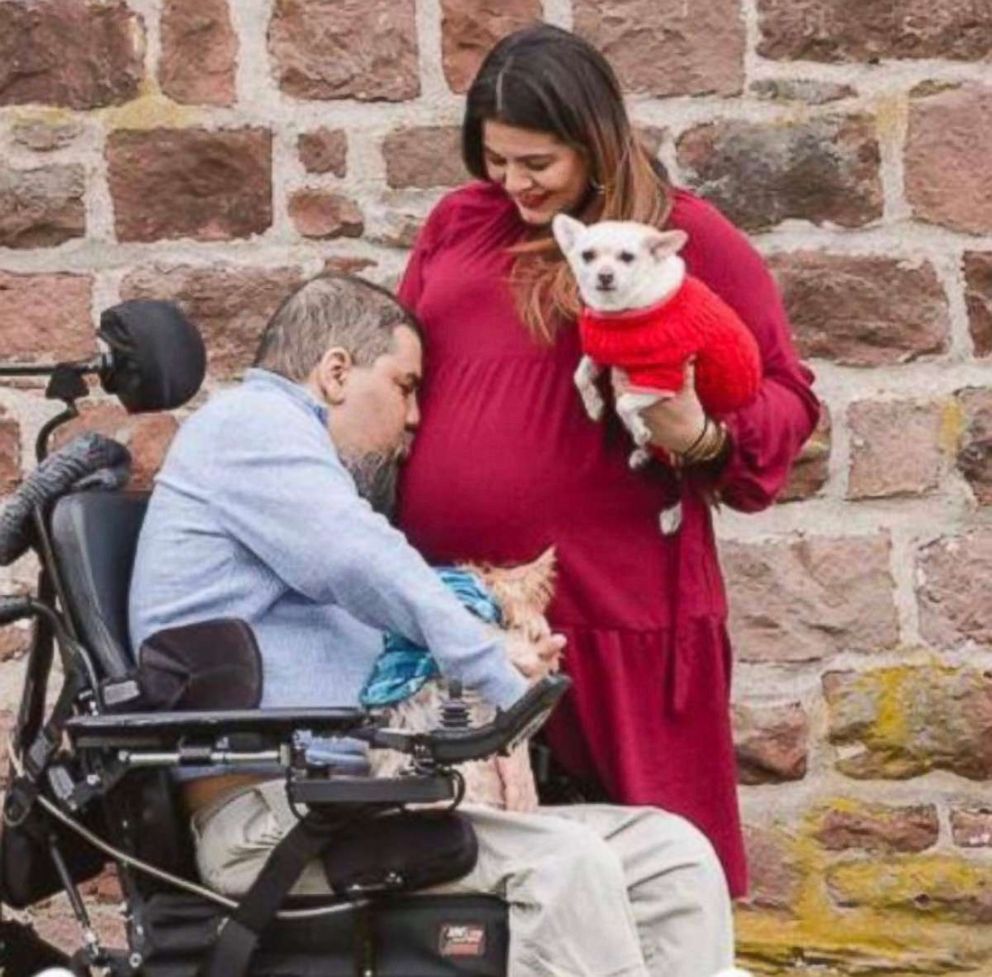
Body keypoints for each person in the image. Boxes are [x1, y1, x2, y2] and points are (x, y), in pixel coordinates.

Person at [128, 273, 739, 977]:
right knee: (563, 866)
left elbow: (379, 635)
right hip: (270, 817)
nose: (415, 417)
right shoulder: (251, 428)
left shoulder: (296, 479)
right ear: (334, 371)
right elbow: (366, 561)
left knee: (672, 856)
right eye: (405, 384)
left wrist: (499, 657)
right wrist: (488, 663)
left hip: (351, 798)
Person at [395, 24, 821, 900]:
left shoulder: (677, 236)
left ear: (596, 140)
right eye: (496, 160)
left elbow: (788, 394)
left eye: (537, 162)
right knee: (475, 879)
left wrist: (702, 435)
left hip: (617, 611)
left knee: (650, 874)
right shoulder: (459, 223)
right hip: (469, 615)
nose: (513, 183)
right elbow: (397, 355)